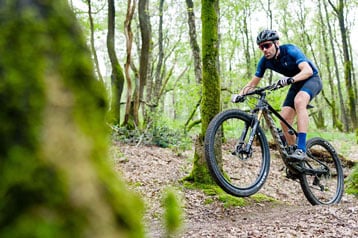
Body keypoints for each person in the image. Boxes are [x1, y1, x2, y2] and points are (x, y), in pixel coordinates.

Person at [232, 29, 322, 161]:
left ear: (277, 43)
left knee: (299, 101)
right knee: (284, 119)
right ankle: (294, 156)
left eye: (267, 45)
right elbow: (252, 83)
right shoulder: (264, 62)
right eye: (261, 47)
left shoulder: (290, 50)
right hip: (295, 83)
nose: (264, 49)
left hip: (311, 79)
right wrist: (240, 95)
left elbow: (307, 70)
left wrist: (290, 80)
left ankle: (302, 148)